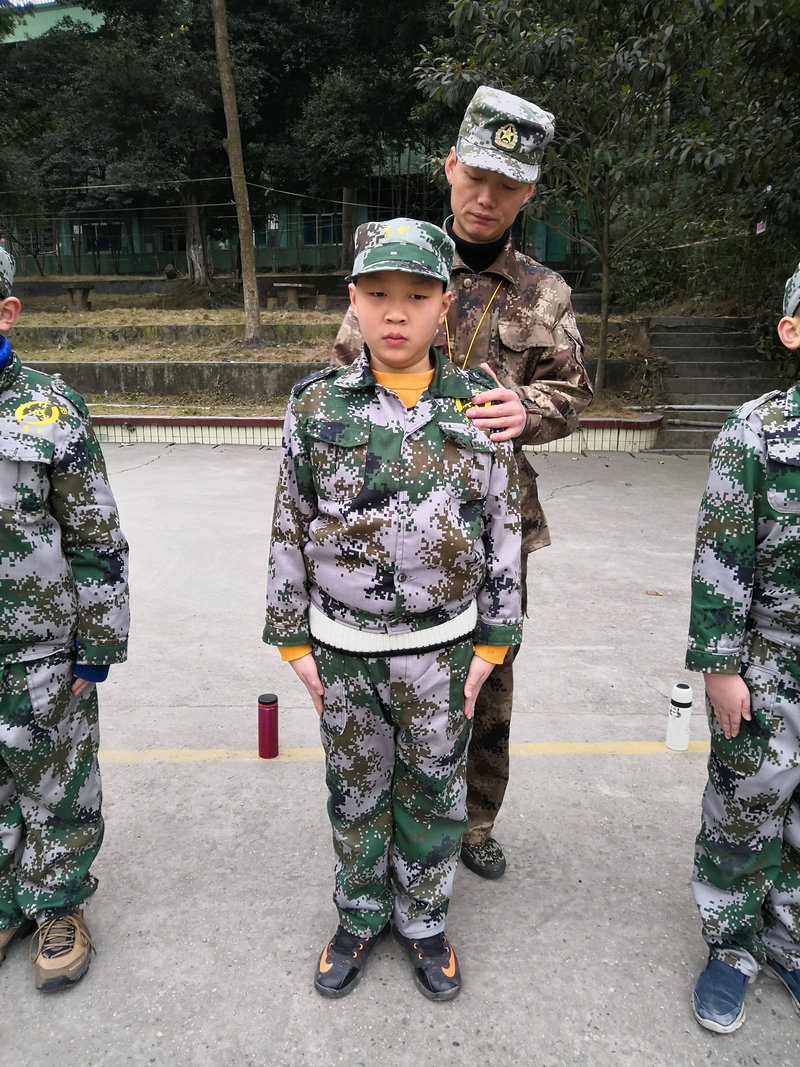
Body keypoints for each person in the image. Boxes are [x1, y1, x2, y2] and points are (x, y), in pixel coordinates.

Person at [332, 86, 593, 880]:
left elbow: (573, 392)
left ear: (529, 192)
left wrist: (528, 407)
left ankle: (474, 823)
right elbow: (344, 371)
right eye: (476, 176)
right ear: (449, 167)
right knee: (389, 676)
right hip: (389, 516)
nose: (487, 197)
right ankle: (388, 819)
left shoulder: (545, 293)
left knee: (489, 678)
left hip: (496, 524)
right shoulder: (398, 266)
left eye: (507, 185)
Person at [264, 219, 522, 1001]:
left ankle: (424, 920)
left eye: (416, 295)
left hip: (443, 652)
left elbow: (503, 529)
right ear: (354, 300)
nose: (397, 312)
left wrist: (493, 645)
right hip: (343, 650)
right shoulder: (315, 405)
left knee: (435, 793)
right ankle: (359, 914)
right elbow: (289, 523)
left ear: (445, 305)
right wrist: (292, 641)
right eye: (378, 294)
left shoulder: (480, 404)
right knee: (356, 791)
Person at [0, 247, 130, 992]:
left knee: (58, 784)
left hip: (41, 649)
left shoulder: (49, 408)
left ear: (7, 312)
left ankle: (56, 904)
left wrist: (98, 644)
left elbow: (95, 536)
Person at [686, 260, 800, 1033]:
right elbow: (721, 556)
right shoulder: (756, 432)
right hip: (769, 658)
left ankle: (789, 938)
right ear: (792, 331)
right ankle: (731, 944)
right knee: (744, 807)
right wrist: (720, 666)